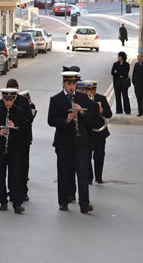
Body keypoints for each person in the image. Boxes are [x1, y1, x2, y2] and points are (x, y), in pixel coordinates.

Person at [47, 71, 97, 214]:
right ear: (63, 84)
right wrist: (65, 120)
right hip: (63, 143)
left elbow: (91, 118)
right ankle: (63, 201)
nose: (71, 87)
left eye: (74, 84)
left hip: (80, 141)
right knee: (64, 173)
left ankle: (84, 204)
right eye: (69, 84)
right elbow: (51, 120)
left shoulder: (82, 97)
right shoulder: (55, 99)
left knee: (82, 172)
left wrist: (82, 112)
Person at [0, 79, 34, 202]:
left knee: (22, 167)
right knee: (11, 171)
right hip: (5, 144)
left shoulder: (23, 102)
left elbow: (29, 119)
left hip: (22, 141)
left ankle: (23, 191)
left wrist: (15, 125)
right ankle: (10, 193)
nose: (8, 101)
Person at [0, 88, 28, 213]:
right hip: (1, 149)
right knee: (1, 177)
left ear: (14, 99)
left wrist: (15, 127)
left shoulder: (20, 112)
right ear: (2, 98)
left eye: (11, 99)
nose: (8, 102)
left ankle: (16, 202)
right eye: (6, 99)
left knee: (15, 176)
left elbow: (25, 131)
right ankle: (2, 201)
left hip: (15, 149)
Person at [86, 81, 112, 184]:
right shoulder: (83, 100)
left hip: (100, 132)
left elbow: (109, 114)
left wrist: (102, 111)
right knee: (87, 156)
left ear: (95, 90)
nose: (91, 92)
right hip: (88, 132)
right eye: (89, 90)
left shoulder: (101, 99)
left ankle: (98, 177)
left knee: (99, 155)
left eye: (93, 90)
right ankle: (89, 177)